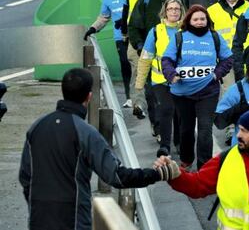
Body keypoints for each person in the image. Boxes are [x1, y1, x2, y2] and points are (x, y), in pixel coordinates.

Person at [18, 68, 180, 230]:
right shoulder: (85, 132)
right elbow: (118, 176)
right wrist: (158, 174)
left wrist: (39, 204)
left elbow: (25, 177)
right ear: (89, 96)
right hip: (74, 220)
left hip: (38, 219)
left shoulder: (37, 126)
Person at [161, 5, 233, 170]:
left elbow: (228, 59)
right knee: (186, 130)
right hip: (182, 93)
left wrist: (216, 74)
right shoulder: (180, 37)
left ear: (207, 20)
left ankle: (204, 166)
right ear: (189, 21)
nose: (200, 22)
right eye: (196, 19)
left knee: (205, 129)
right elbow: (166, 60)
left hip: (208, 92)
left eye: (203, 19)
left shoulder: (215, 37)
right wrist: (171, 75)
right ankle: (186, 160)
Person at [135, 0, 185, 157]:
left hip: (181, 80)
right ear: (165, 11)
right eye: (171, 9)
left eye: (177, 9)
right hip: (160, 80)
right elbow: (146, 58)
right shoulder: (156, 31)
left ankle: (178, 142)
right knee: (166, 109)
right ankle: (165, 145)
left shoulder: (187, 31)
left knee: (180, 112)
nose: (174, 12)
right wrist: (139, 83)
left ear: (182, 11)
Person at [128, 0, 174, 132]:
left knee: (173, 95)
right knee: (152, 93)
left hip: (173, 58)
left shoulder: (176, 1)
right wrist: (140, 46)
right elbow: (133, 26)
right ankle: (157, 125)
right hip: (150, 56)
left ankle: (170, 129)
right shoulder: (145, 0)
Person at [208, 0, 249, 144]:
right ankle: (231, 128)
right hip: (225, 59)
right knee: (229, 92)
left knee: (248, 92)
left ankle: (248, 126)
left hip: (247, 57)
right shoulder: (212, 10)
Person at [83, 0, 132, 108]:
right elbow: (104, 17)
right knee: (124, 64)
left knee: (137, 65)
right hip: (120, 37)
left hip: (134, 34)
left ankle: (141, 96)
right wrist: (93, 28)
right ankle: (129, 97)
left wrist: (125, 21)